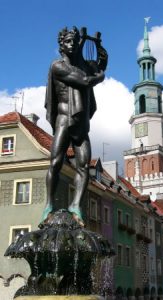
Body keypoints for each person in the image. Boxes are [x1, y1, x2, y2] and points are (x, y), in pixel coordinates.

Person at [42, 26, 107, 226]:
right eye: (68, 41)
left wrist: (98, 46)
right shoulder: (58, 66)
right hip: (64, 119)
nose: (72, 45)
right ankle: (49, 205)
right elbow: (85, 81)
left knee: (84, 165)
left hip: (81, 124)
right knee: (55, 162)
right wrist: (100, 77)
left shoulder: (83, 65)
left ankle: (76, 205)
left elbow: (102, 63)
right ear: (61, 45)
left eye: (74, 41)